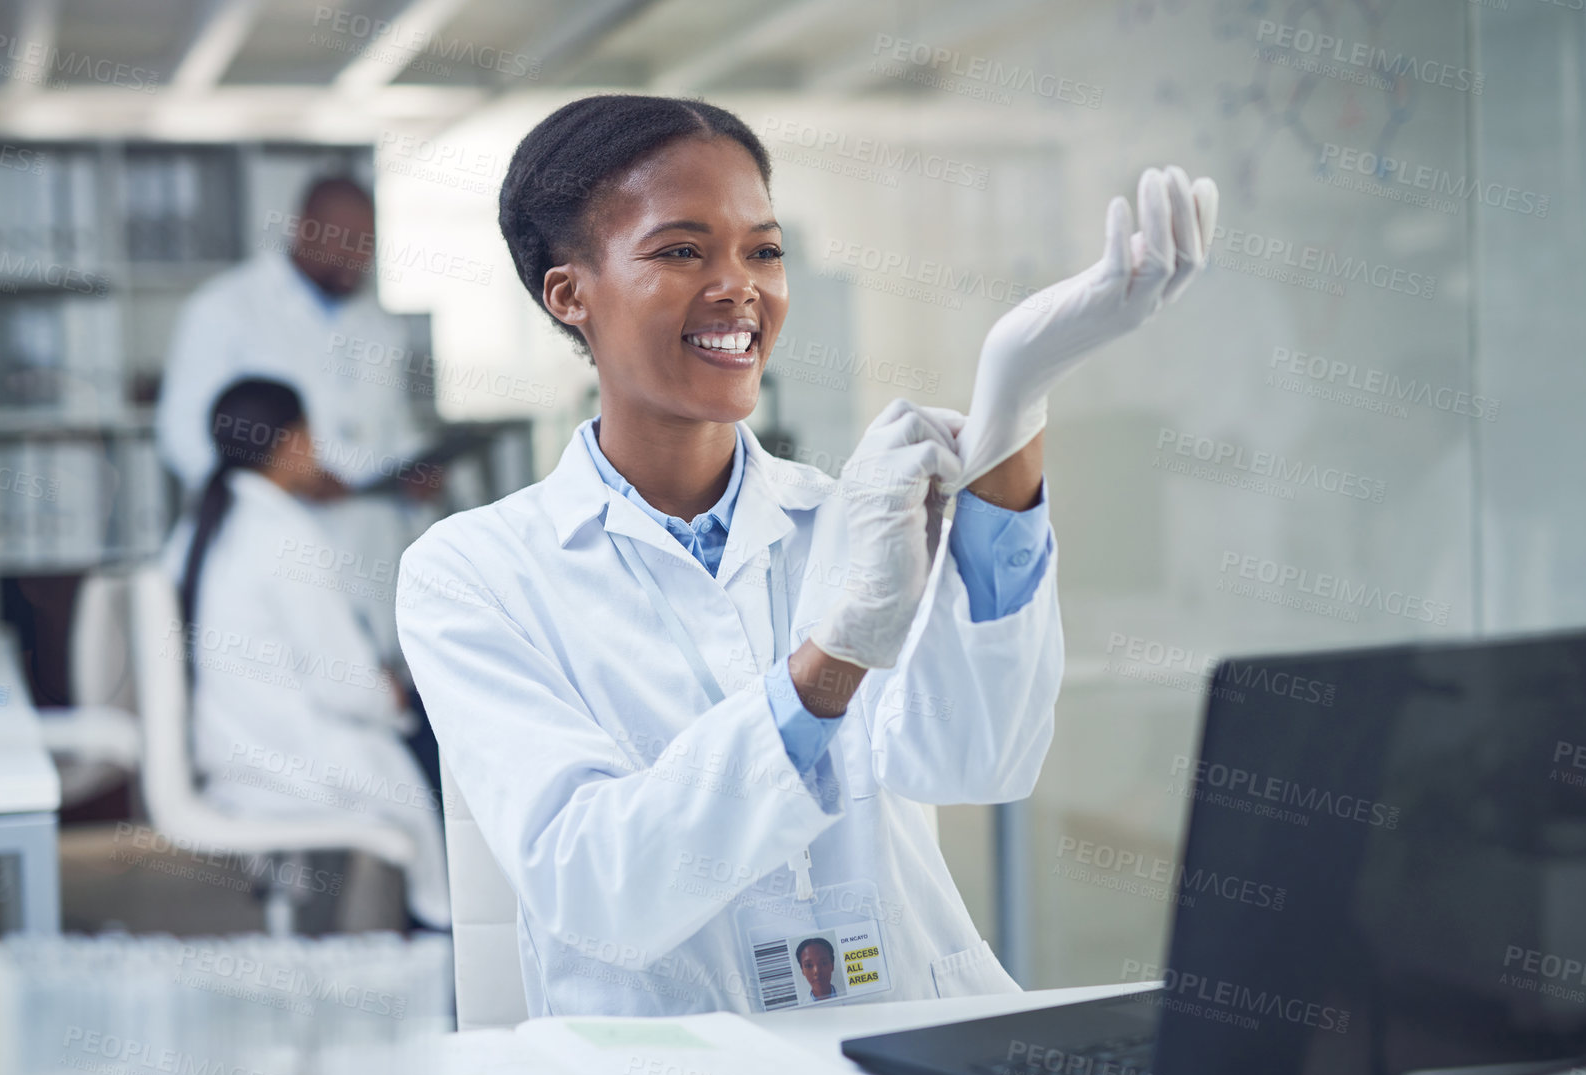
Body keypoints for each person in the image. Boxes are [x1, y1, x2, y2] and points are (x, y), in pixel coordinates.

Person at [396, 94, 1213, 1016]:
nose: (739, 286)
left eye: (763, 250)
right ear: (569, 292)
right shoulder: (471, 572)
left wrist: (1016, 404)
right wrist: (831, 660)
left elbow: (976, 760)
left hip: (903, 1036)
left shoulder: (848, 519)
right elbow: (598, 884)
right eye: (681, 250)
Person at [170, 376, 450, 930]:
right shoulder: (283, 536)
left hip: (236, 748)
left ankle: (428, 929)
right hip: (292, 756)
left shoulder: (200, 527)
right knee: (444, 752)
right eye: (310, 434)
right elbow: (345, 685)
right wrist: (388, 691)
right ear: (293, 441)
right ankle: (444, 941)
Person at [156, 175, 435, 665]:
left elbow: (390, 431)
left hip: (368, 546)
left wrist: (412, 473)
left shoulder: (381, 326)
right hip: (273, 542)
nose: (356, 256)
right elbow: (183, 434)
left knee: (369, 690)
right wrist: (284, 481)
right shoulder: (224, 309)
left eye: (366, 242)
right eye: (343, 240)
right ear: (302, 230)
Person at [795, 938, 839, 1002]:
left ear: (832, 965)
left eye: (823, 963)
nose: (817, 971)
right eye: (808, 965)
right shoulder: (801, 1005)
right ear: (802, 970)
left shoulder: (850, 994)